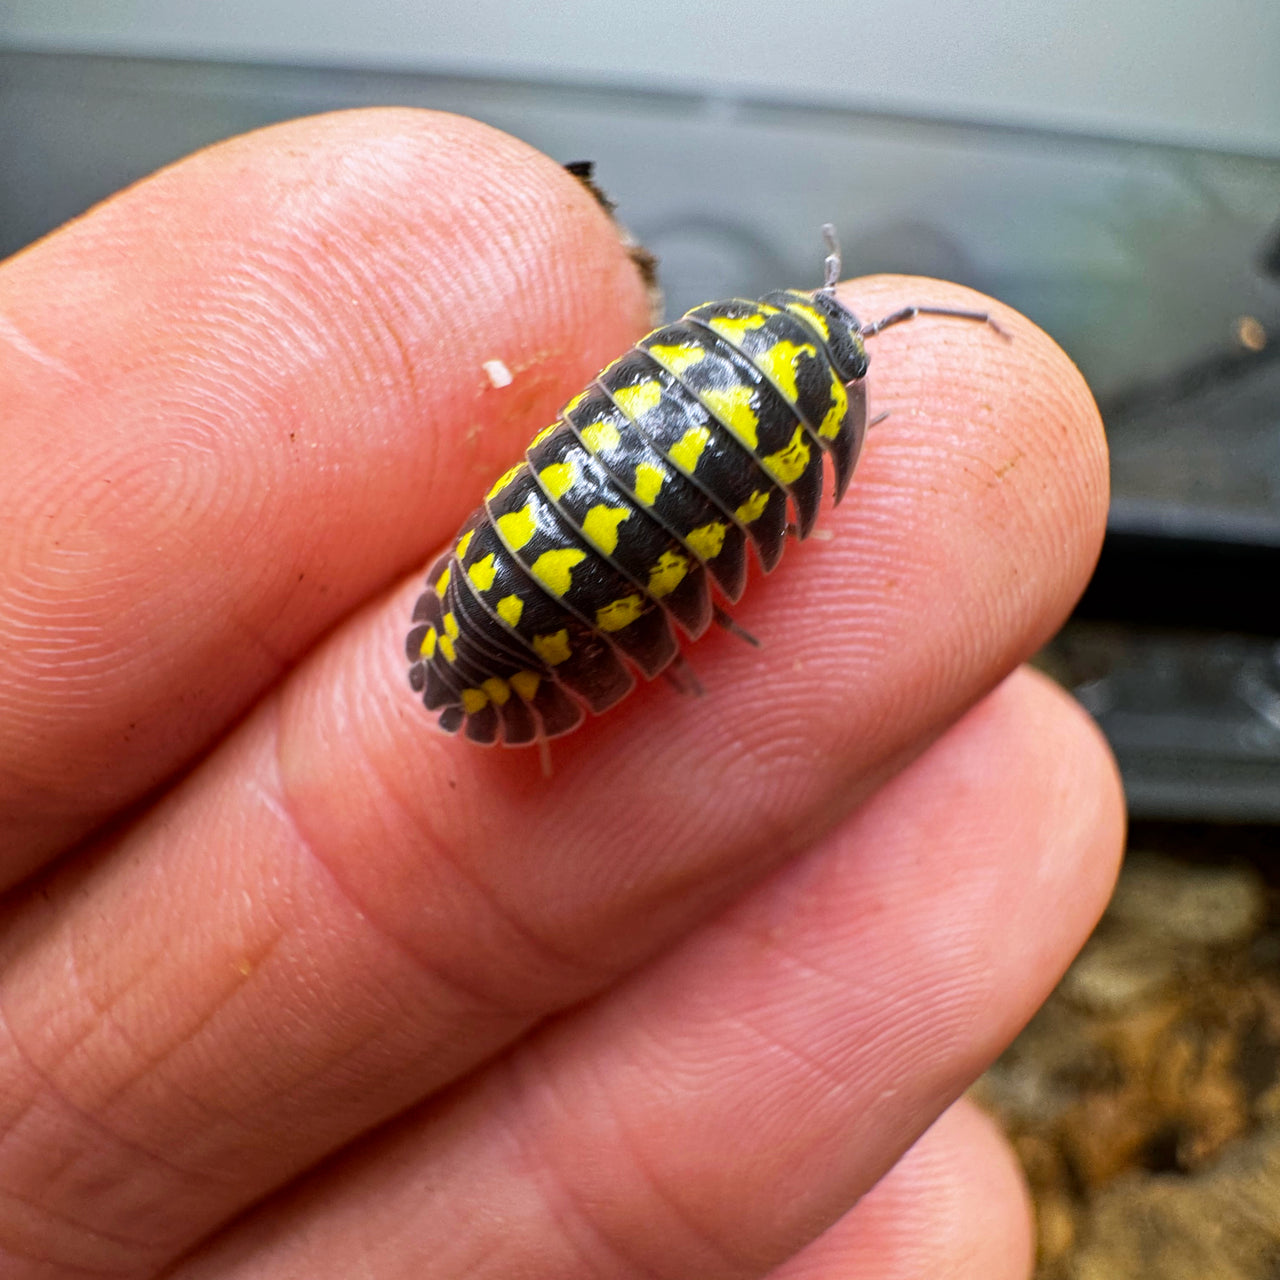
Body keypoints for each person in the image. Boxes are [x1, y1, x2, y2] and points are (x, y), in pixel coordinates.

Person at [0, 109, 1123, 1279]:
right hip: (524, 602)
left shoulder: (727, 373)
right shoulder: (785, 438)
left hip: (531, 572)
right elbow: (752, 531)